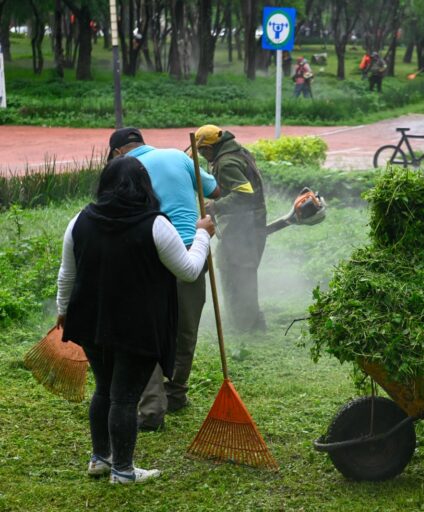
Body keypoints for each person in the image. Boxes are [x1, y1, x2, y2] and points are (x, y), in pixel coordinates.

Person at [56, 156, 214, 484]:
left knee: (104, 390)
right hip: (136, 326)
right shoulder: (156, 225)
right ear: (145, 187)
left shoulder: (79, 221)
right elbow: (188, 271)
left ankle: (101, 458)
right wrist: (202, 235)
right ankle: (123, 471)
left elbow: (67, 274)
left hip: (92, 321)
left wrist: (62, 309)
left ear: (104, 186)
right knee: (125, 397)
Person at [107, 127, 220, 432]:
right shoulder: (178, 157)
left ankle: (152, 408)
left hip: (151, 256)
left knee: (148, 329)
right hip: (193, 247)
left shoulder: (123, 170)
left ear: (117, 152)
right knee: (185, 327)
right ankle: (176, 393)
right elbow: (215, 191)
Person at [194, 124, 268, 333]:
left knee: (236, 272)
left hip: (243, 225)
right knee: (241, 270)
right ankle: (250, 321)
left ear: (210, 148)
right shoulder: (239, 151)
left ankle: (246, 325)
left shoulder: (226, 163)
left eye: (202, 151)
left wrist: (216, 206)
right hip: (249, 222)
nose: (201, 155)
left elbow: (245, 193)